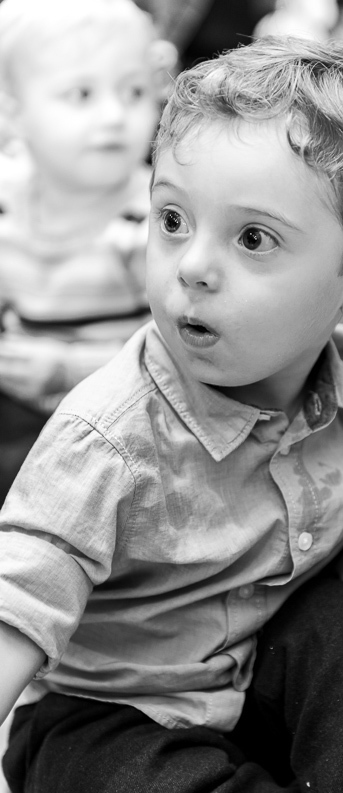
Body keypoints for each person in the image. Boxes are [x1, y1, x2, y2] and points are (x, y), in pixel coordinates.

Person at [0, 36, 343, 793]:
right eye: (171, 218)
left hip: (266, 676)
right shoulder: (107, 439)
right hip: (107, 712)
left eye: (252, 238)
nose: (192, 265)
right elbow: (18, 603)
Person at [0, 0, 177, 504]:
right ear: (14, 112)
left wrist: (65, 366)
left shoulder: (152, 221)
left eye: (135, 91)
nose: (115, 116)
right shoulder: (5, 203)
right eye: (81, 93)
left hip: (120, 418)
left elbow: (177, 357)